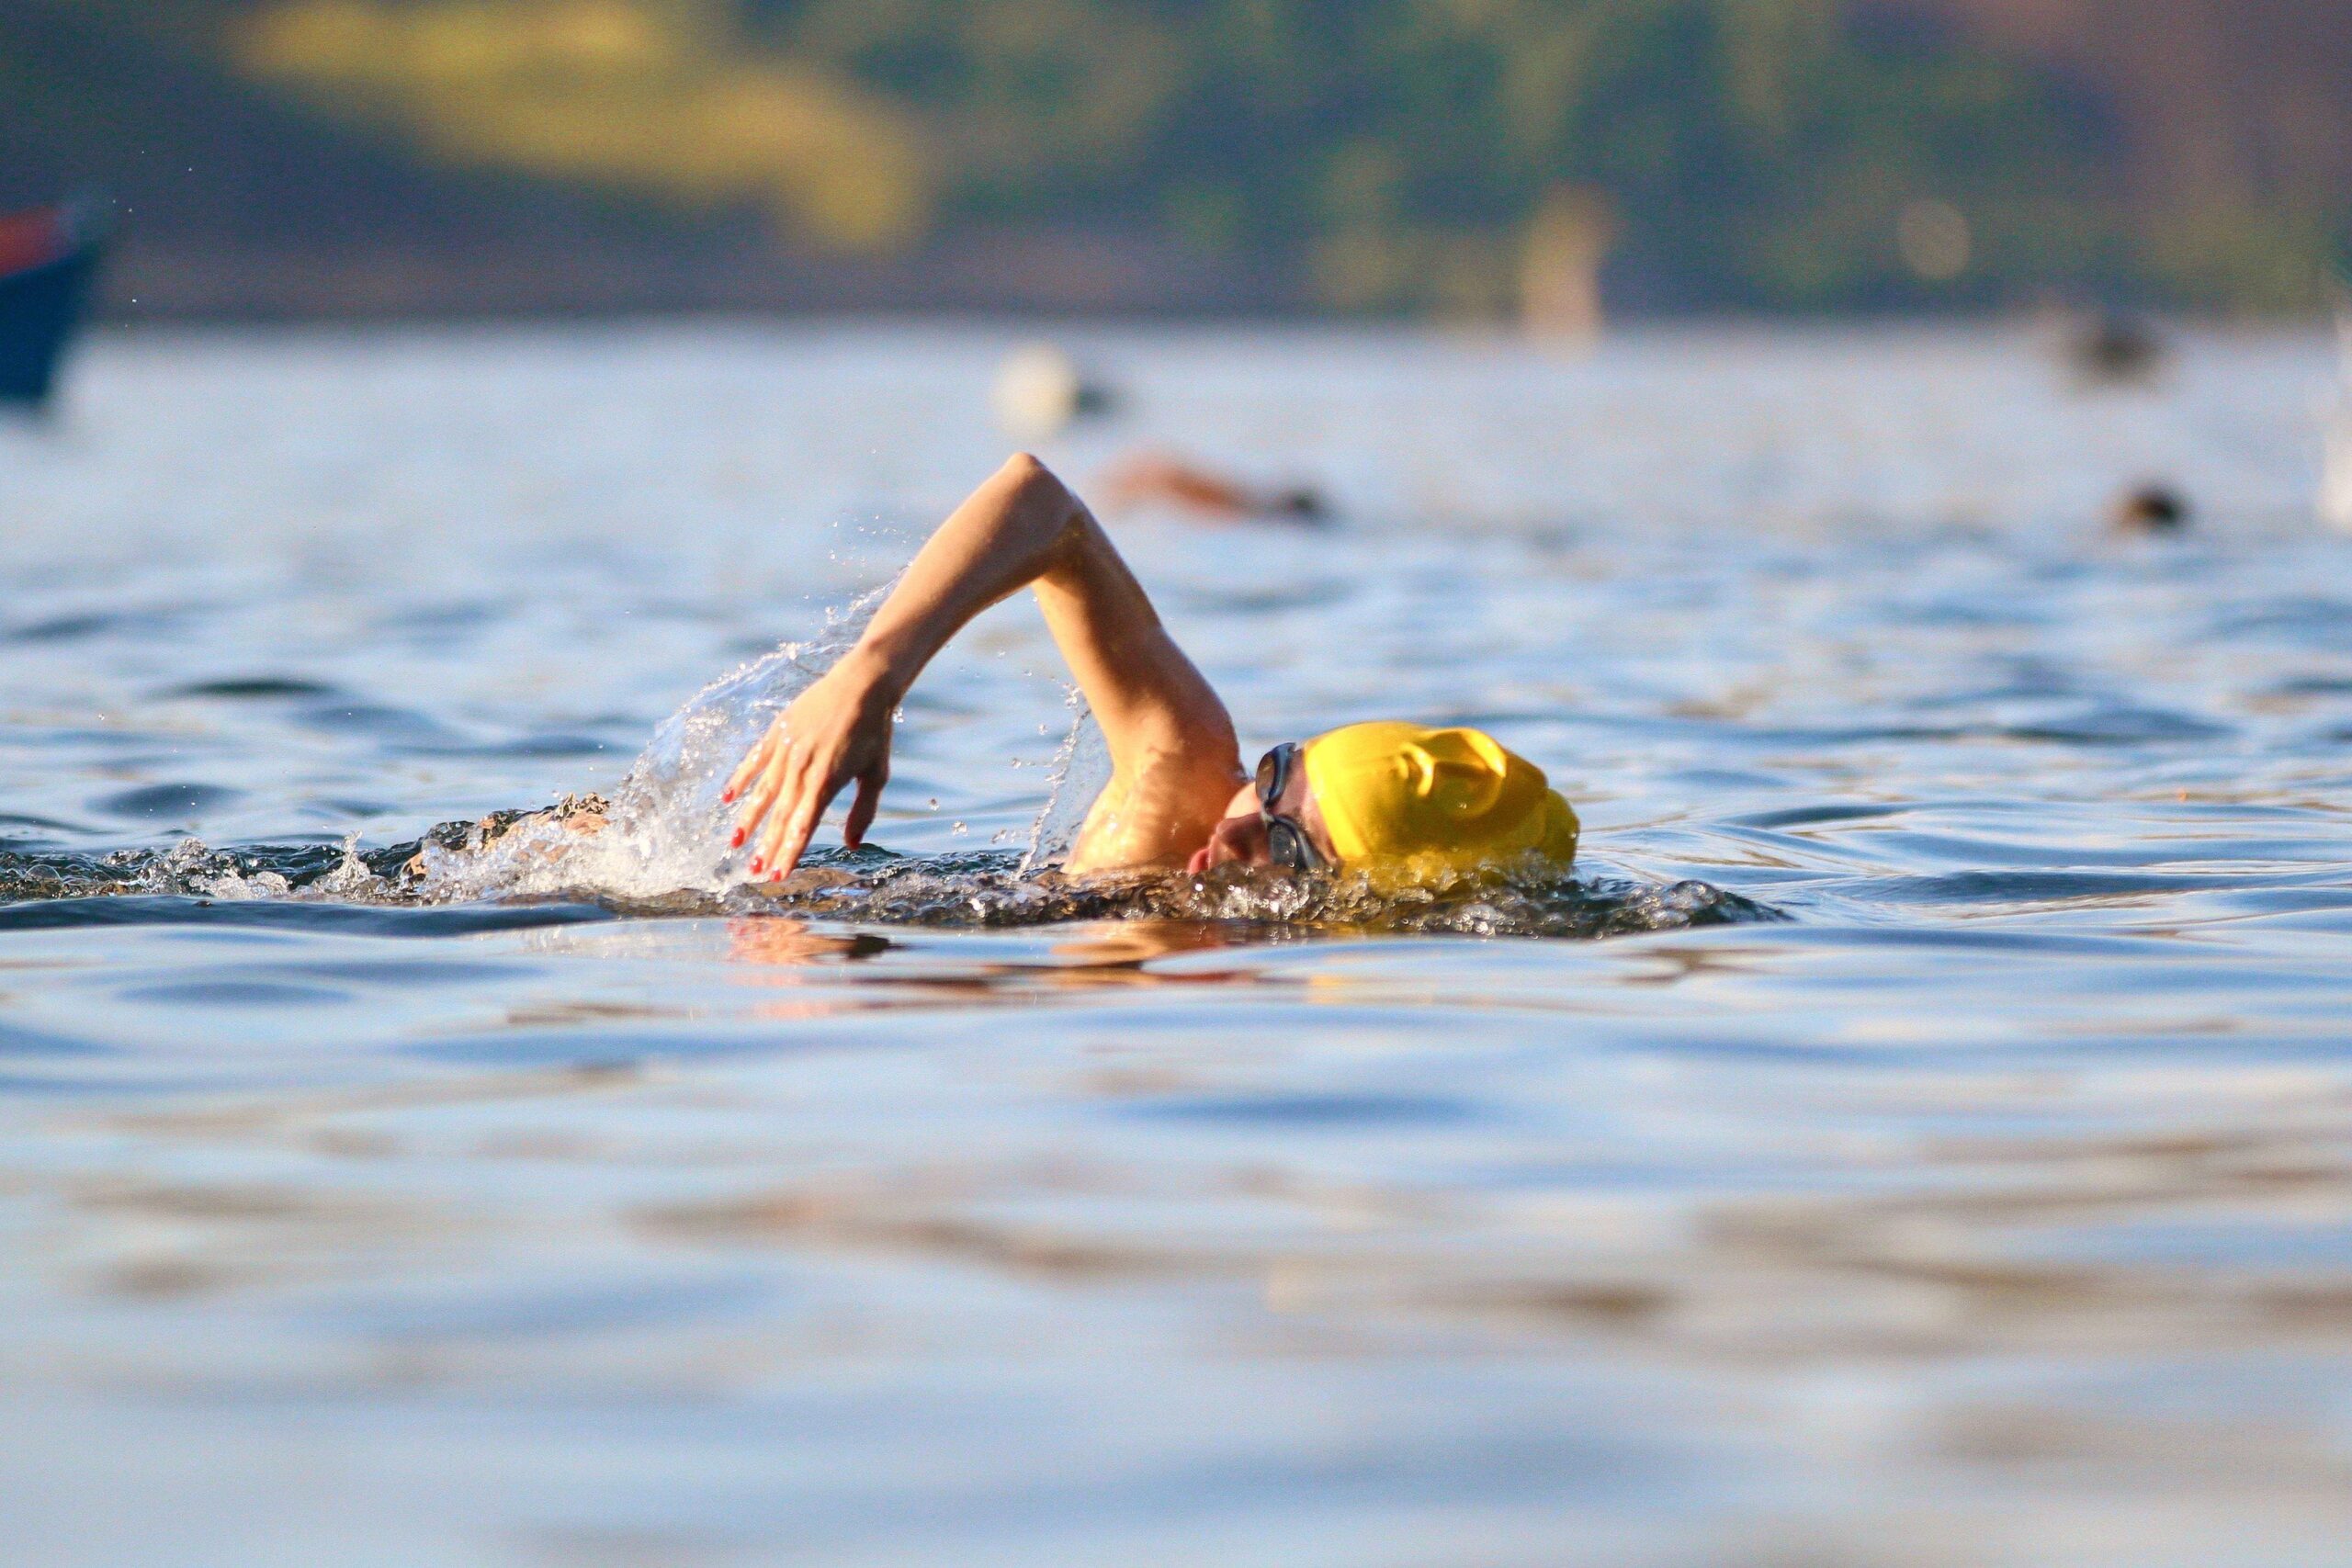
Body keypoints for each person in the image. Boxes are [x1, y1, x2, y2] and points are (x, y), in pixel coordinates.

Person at [725, 455, 1578, 885]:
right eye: (1274, 779)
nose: (1238, 831)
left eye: (1291, 848)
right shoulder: (1184, 774)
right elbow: (1039, 500)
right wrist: (872, 674)